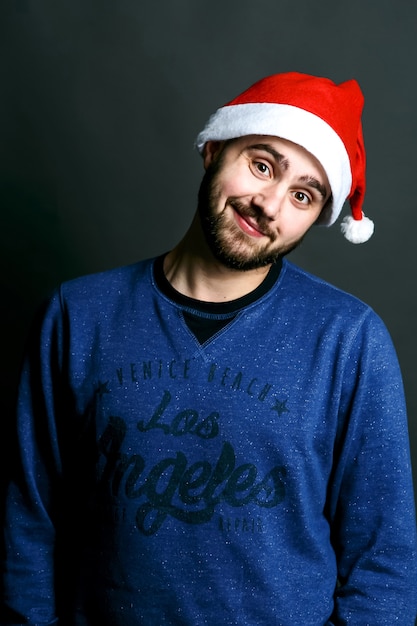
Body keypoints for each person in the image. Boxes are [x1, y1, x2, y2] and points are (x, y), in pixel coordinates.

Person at [1, 71, 416, 626]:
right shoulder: (77, 314)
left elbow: (384, 560)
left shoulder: (349, 338)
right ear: (215, 149)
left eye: (302, 195)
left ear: (318, 216)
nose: (268, 203)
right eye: (261, 165)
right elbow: (27, 521)